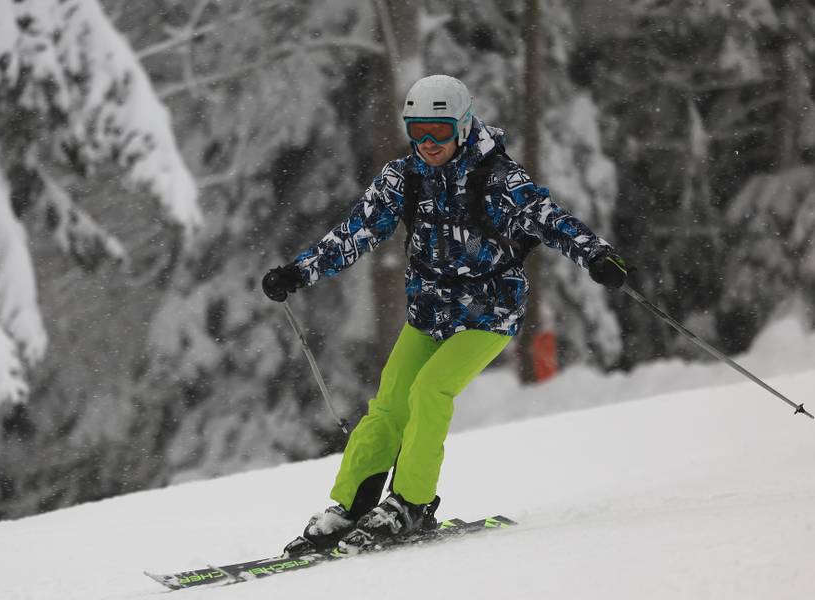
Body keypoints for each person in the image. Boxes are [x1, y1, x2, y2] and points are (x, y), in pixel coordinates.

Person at [262, 74, 628, 552]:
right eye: (417, 131)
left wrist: (596, 255)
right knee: (391, 402)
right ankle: (351, 507)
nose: (428, 143)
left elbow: (549, 218)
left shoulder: (497, 179)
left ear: (462, 125)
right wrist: (299, 272)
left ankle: (411, 504)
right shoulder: (404, 178)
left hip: (489, 314)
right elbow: (356, 232)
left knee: (430, 389)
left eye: (439, 132)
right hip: (430, 313)